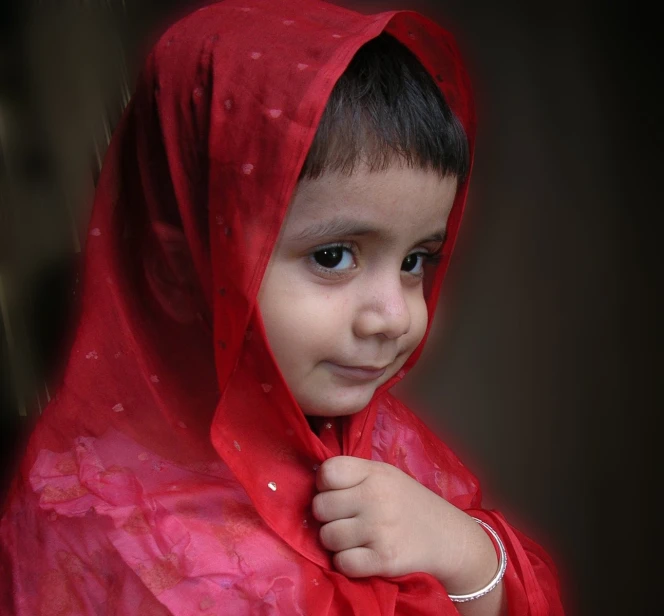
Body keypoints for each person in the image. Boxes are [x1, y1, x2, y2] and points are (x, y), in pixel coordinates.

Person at [0, 0, 565, 614]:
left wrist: (462, 552)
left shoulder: (386, 448)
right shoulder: (87, 510)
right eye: (332, 257)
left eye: (414, 261)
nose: (395, 317)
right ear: (182, 266)